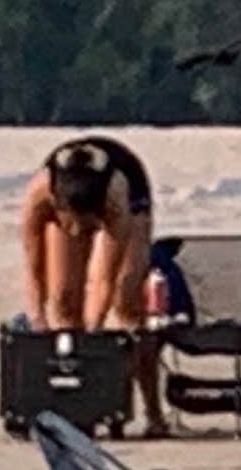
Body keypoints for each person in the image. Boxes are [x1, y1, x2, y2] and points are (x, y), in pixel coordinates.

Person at [16, 135, 173, 433]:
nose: (78, 233)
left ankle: (154, 413)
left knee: (125, 300)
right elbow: (34, 269)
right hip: (69, 194)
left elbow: (105, 282)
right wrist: (39, 321)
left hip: (129, 197)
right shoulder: (40, 195)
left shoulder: (116, 197)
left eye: (86, 226)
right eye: (70, 225)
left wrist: (93, 337)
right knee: (64, 300)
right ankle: (77, 407)